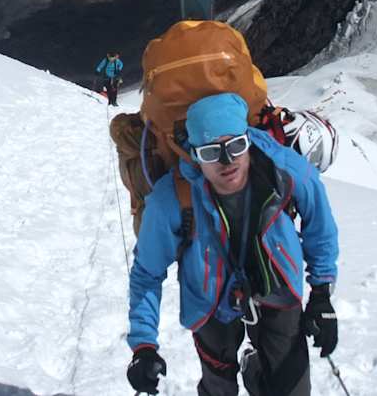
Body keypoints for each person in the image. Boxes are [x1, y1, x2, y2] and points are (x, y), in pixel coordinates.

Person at [126, 93, 339, 396]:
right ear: (196, 154)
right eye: (212, 153)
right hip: (210, 301)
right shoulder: (170, 199)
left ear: (248, 140)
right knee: (218, 388)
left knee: (291, 389)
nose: (227, 162)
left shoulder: (283, 167)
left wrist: (321, 293)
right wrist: (143, 345)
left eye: (236, 147)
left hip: (277, 283)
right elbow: (147, 272)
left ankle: (256, 370)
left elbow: (320, 223)